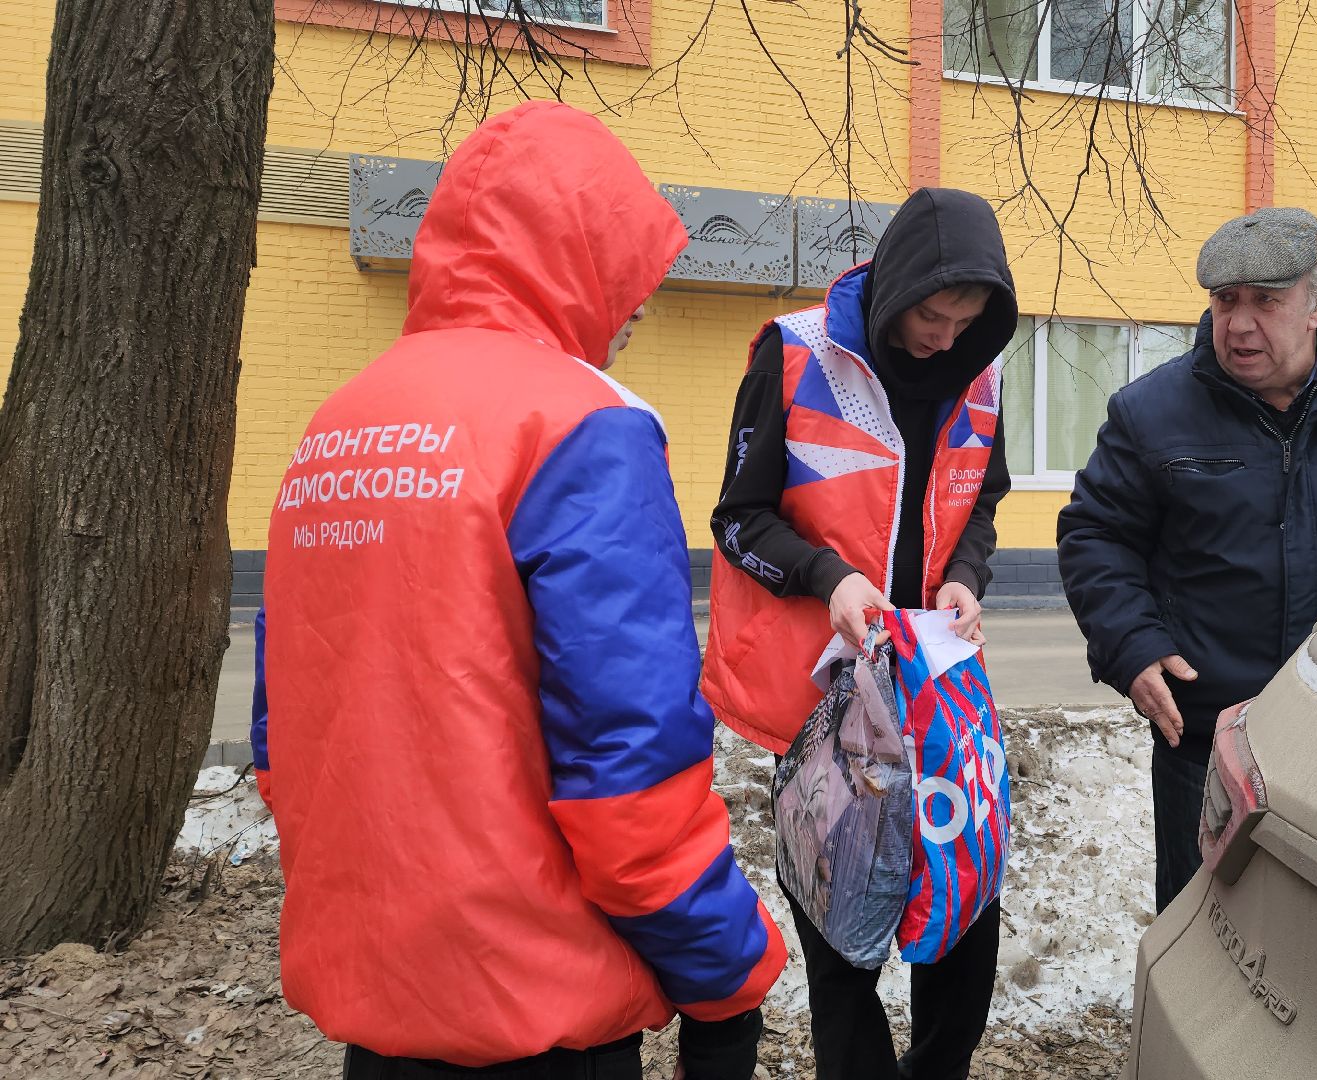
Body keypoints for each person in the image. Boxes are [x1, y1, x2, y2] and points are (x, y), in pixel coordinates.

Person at [251, 101, 784, 1079]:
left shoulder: (336, 425)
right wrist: (728, 976)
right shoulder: (580, 426)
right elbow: (631, 776)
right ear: (572, 258)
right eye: (628, 274)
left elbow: (283, 740)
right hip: (540, 1011)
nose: (635, 310)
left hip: (383, 1012)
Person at [1057, 207, 1317, 912]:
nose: (1239, 324)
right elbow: (1097, 534)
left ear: (1316, 305)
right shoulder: (1151, 412)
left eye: (1266, 302)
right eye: (1225, 301)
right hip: (1210, 738)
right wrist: (1131, 646)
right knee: (1204, 936)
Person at [701, 187, 1018, 1080]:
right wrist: (827, 576)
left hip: (937, 696)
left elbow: (982, 503)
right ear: (895, 287)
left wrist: (968, 574)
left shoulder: (982, 373)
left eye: (967, 320)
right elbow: (737, 520)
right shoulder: (796, 357)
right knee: (844, 946)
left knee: (963, 915)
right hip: (824, 712)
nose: (945, 338)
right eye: (932, 313)